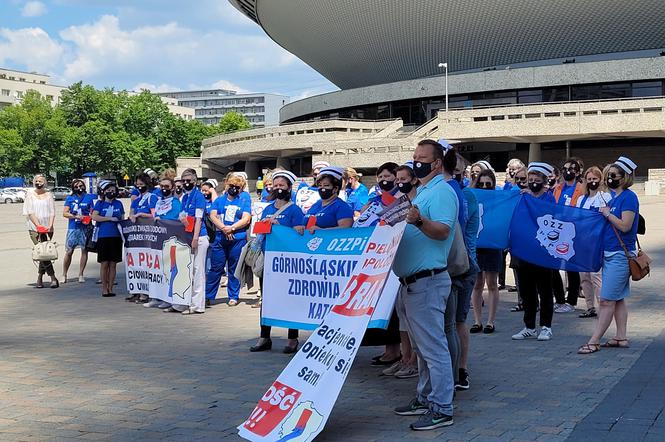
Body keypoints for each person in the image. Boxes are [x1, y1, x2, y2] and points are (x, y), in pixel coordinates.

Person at [392, 139, 458, 431]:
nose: (416, 162)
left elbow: (443, 232)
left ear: (437, 163)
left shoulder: (442, 191)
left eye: (422, 158)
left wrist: (418, 222)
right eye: (414, 157)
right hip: (412, 283)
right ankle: (426, 397)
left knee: (433, 348)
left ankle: (443, 407)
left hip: (427, 282)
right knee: (422, 347)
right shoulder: (423, 191)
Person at [579, 157, 639, 354]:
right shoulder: (614, 198)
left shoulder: (628, 198)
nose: (609, 178)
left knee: (606, 300)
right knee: (618, 298)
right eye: (608, 175)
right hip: (611, 254)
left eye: (613, 175)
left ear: (625, 177)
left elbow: (625, 225)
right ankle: (621, 337)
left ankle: (594, 340)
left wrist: (607, 214)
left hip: (619, 256)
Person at [250, 170, 305, 354]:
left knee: (289, 299)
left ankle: (292, 338)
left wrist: (279, 227)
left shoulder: (294, 209)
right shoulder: (267, 208)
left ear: (289, 187)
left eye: (282, 185)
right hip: (268, 259)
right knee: (267, 299)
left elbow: (297, 233)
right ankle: (264, 336)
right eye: (276, 185)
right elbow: (259, 231)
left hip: (287, 262)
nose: (278, 188)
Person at [383, 164, 420, 379]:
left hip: (416, 266)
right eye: (398, 180)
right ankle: (405, 359)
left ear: (414, 180)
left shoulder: (420, 201)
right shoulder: (399, 202)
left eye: (403, 179)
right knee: (402, 317)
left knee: (414, 320)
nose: (399, 183)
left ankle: (414, 361)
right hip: (400, 268)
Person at [511, 162, 555, 342]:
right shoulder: (522, 197)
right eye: (530, 180)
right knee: (527, 290)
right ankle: (529, 326)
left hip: (542, 252)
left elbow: (547, 217)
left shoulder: (549, 198)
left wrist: (532, 199)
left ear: (544, 182)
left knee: (544, 290)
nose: (533, 183)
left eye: (537, 180)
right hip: (523, 250)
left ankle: (546, 326)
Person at [164, 169, 210, 314]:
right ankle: (182, 302)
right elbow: (183, 218)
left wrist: (195, 238)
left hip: (199, 237)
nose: (185, 183)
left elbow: (198, 218)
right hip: (187, 237)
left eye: (188, 180)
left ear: (195, 181)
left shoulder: (198, 197)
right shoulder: (184, 198)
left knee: (198, 271)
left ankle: (197, 305)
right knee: (185, 271)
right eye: (183, 181)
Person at [452, 154, 480, 391]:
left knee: (458, 320)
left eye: (460, 170)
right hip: (451, 263)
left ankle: (461, 369)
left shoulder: (466, 195)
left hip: (464, 263)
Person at [206, 174, 252, 307]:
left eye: (237, 187)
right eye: (231, 185)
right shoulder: (219, 200)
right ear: (226, 185)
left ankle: (233, 296)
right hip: (220, 238)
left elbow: (246, 218)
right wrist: (223, 228)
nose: (233, 188)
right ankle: (208, 295)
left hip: (237, 238)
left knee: (234, 268)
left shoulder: (243, 199)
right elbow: (213, 215)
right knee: (216, 267)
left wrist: (232, 228)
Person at [576, 166, 612, 318]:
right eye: (589, 179)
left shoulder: (605, 197)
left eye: (594, 179)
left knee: (596, 276)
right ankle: (590, 307)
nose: (592, 182)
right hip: (583, 242)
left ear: (600, 180)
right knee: (584, 277)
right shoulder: (581, 199)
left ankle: (602, 306)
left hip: (597, 242)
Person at [143, 175, 183, 309]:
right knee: (156, 269)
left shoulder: (175, 202)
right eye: (162, 187)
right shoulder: (158, 202)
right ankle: (155, 296)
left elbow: (174, 218)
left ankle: (168, 298)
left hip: (169, 240)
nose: (164, 189)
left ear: (172, 188)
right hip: (156, 239)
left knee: (168, 270)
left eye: (167, 186)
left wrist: (162, 219)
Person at [469, 169, 501, 334]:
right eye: (481, 184)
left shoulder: (498, 199)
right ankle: (477, 320)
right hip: (476, 244)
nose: (484, 186)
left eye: (488, 184)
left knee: (492, 284)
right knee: (477, 284)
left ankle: (490, 321)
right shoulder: (472, 197)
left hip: (492, 244)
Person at [552, 158, 584, 313]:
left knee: (571, 267)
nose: (567, 171)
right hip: (558, 231)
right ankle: (559, 299)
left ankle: (571, 301)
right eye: (564, 168)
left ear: (578, 172)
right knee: (553, 266)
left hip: (573, 232)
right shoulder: (558, 188)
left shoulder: (581, 189)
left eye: (571, 168)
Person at [126, 173, 158, 303]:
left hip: (148, 235)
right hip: (136, 237)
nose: (139, 187)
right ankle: (137, 290)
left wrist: (142, 215)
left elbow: (154, 215)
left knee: (147, 264)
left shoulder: (152, 197)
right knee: (136, 263)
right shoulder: (136, 200)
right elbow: (131, 214)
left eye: (141, 184)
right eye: (137, 185)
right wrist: (132, 216)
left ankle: (147, 292)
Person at [23, 174, 58, 289]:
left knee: (44, 253)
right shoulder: (30, 195)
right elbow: (29, 211)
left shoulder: (49, 195)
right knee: (42, 252)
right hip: (34, 228)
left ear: (45, 183)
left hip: (48, 227)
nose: (38, 183)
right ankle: (53, 278)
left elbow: (52, 212)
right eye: (36, 181)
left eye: (40, 181)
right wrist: (38, 225)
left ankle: (40, 277)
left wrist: (50, 225)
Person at [91, 181, 124, 297]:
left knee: (113, 264)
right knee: (104, 263)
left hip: (116, 236)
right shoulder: (99, 204)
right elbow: (94, 216)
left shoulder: (118, 203)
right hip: (103, 236)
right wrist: (109, 218)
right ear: (103, 192)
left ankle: (111, 287)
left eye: (113, 190)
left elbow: (122, 218)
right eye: (108, 190)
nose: (111, 192)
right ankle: (104, 288)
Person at [296, 167, 353, 233]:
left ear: (335, 189)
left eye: (326, 185)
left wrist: (322, 231)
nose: (322, 188)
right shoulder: (316, 204)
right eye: (320, 185)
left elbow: (346, 228)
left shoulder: (341, 206)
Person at [62, 179, 94, 283]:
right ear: (73, 188)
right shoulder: (70, 198)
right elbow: (65, 213)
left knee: (84, 250)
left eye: (81, 186)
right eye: (76, 187)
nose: (79, 188)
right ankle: (64, 274)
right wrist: (75, 216)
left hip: (85, 227)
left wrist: (88, 217)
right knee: (69, 251)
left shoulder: (89, 198)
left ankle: (81, 274)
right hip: (73, 227)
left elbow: (92, 212)